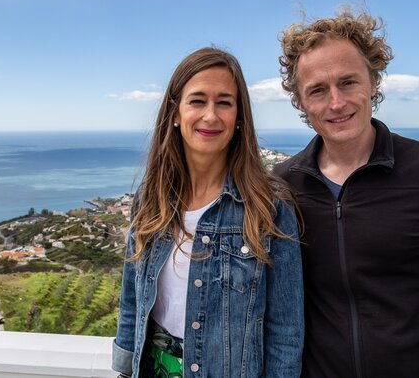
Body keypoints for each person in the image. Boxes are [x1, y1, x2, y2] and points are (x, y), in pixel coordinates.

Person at [273, 8, 419, 378]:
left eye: (348, 82)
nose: (336, 102)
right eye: (318, 90)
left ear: (373, 82)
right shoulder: (284, 185)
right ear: (302, 103)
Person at [112, 47, 303, 378]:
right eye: (198, 101)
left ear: (239, 117)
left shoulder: (269, 206)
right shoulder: (151, 199)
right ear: (175, 112)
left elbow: (285, 330)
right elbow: (132, 298)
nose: (211, 116)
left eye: (224, 103)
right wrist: (124, 369)